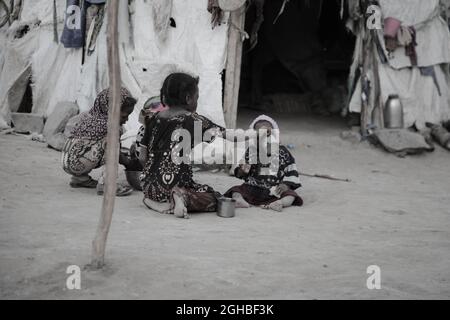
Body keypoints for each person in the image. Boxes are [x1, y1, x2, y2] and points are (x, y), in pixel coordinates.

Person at [140, 73, 225, 219]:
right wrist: (254, 136)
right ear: (188, 98)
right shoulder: (192, 119)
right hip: (173, 187)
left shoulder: (153, 118)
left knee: (187, 185)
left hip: (148, 187)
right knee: (214, 197)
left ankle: (155, 202)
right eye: (196, 98)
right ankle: (182, 198)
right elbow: (225, 135)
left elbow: (142, 157)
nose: (197, 102)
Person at [62, 87, 137, 196]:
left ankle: (80, 179)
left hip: (68, 160)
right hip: (76, 162)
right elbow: (115, 154)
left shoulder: (91, 117)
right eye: (124, 116)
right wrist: (130, 163)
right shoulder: (111, 126)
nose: (127, 120)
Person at [224, 115, 303, 212]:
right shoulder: (252, 150)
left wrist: (286, 185)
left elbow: (291, 171)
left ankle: (279, 203)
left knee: (291, 195)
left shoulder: (283, 152)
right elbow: (240, 174)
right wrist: (242, 170)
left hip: (274, 192)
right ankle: (239, 200)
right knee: (236, 190)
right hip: (251, 188)